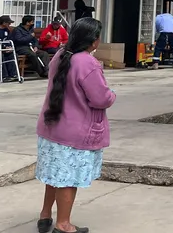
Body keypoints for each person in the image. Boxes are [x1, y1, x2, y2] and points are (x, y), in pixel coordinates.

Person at [35, 18, 116, 233]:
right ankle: (63, 224)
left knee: (55, 174)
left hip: (51, 126)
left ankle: (45, 215)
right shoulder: (86, 62)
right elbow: (101, 98)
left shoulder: (61, 55)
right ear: (93, 40)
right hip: (73, 132)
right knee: (68, 180)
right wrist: (112, 95)